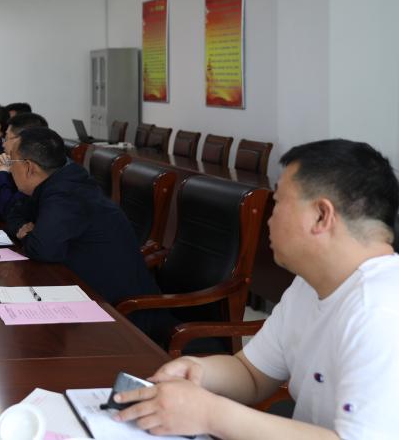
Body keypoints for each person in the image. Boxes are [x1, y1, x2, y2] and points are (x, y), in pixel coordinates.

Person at [113, 139, 399, 439]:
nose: (269, 219)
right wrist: (197, 370)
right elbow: (251, 374)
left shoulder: (381, 311)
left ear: (321, 216)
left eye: (278, 203)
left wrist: (210, 414)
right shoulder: (310, 285)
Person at [5, 127, 159, 309]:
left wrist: (26, 234)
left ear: (29, 167)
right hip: (84, 289)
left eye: (11, 161)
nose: (9, 168)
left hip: (120, 308)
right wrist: (28, 232)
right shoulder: (54, 182)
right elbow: (13, 216)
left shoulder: (66, 192)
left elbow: (42, 249)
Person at [0, 112, 48, 222]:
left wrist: (1, 173)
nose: (3, 144)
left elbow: (8, 212)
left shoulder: (33, 168)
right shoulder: (9, 160)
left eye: (6, 139)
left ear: (21, 140)